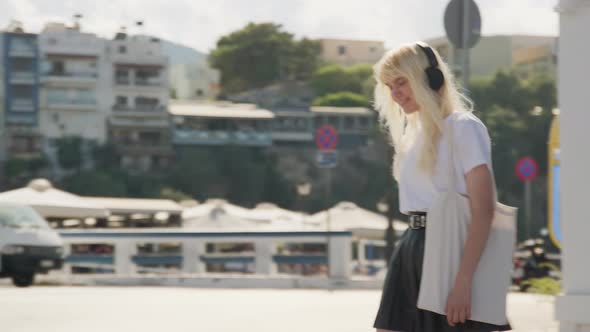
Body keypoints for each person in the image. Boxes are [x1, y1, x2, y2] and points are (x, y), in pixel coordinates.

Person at [372, 42, 512, 332]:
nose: (396, 93)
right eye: (389, 86)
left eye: (402, 82)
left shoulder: (463, 128)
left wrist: (463, 283)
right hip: (411, 245)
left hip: (451, 248)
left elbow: (483, 211)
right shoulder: (413, 135)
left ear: (430, 78)